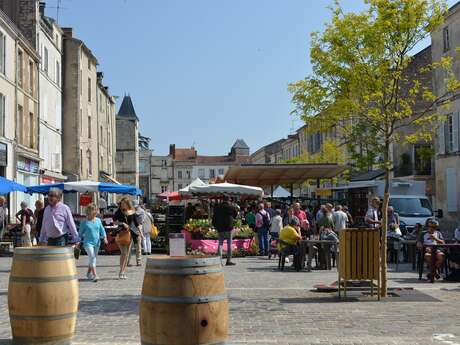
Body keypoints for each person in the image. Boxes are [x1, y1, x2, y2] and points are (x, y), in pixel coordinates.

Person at [113, 197, 144, 279]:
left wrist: (141, 234)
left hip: (129, 235)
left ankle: (123, 271)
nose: (122, 205)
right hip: (120, 234)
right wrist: (122, 223)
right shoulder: (119, 212)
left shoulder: (132, 212)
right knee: (123, 252)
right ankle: (121, 271)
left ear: (127, 204)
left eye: (123, 203)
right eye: (121, 203)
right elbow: (114, 221)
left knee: (126, 254)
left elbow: (137, 224)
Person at [78, 204, 107, 282]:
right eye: (93, 210)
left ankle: (88, 273)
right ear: (88, 211)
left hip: (97, 243)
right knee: (92, 257)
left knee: (93, 258)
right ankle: (95, 275)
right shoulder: (84, 222)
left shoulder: (98, 220)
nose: (95, 211)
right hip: (87, 243)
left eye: (95, 210)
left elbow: (102, 230)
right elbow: (80, 234)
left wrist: (105, 237)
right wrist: (77, 241)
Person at [212, 197, 238, 266]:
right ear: (228, 200)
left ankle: (219, 262)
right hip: (229, 228)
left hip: (220, 228)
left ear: (222, 200)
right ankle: (228, 261)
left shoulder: (217, 207)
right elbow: (235, 215)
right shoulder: (231, 207)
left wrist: (215, 226)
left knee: (220, 244)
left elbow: (214, 217)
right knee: (229, 244)